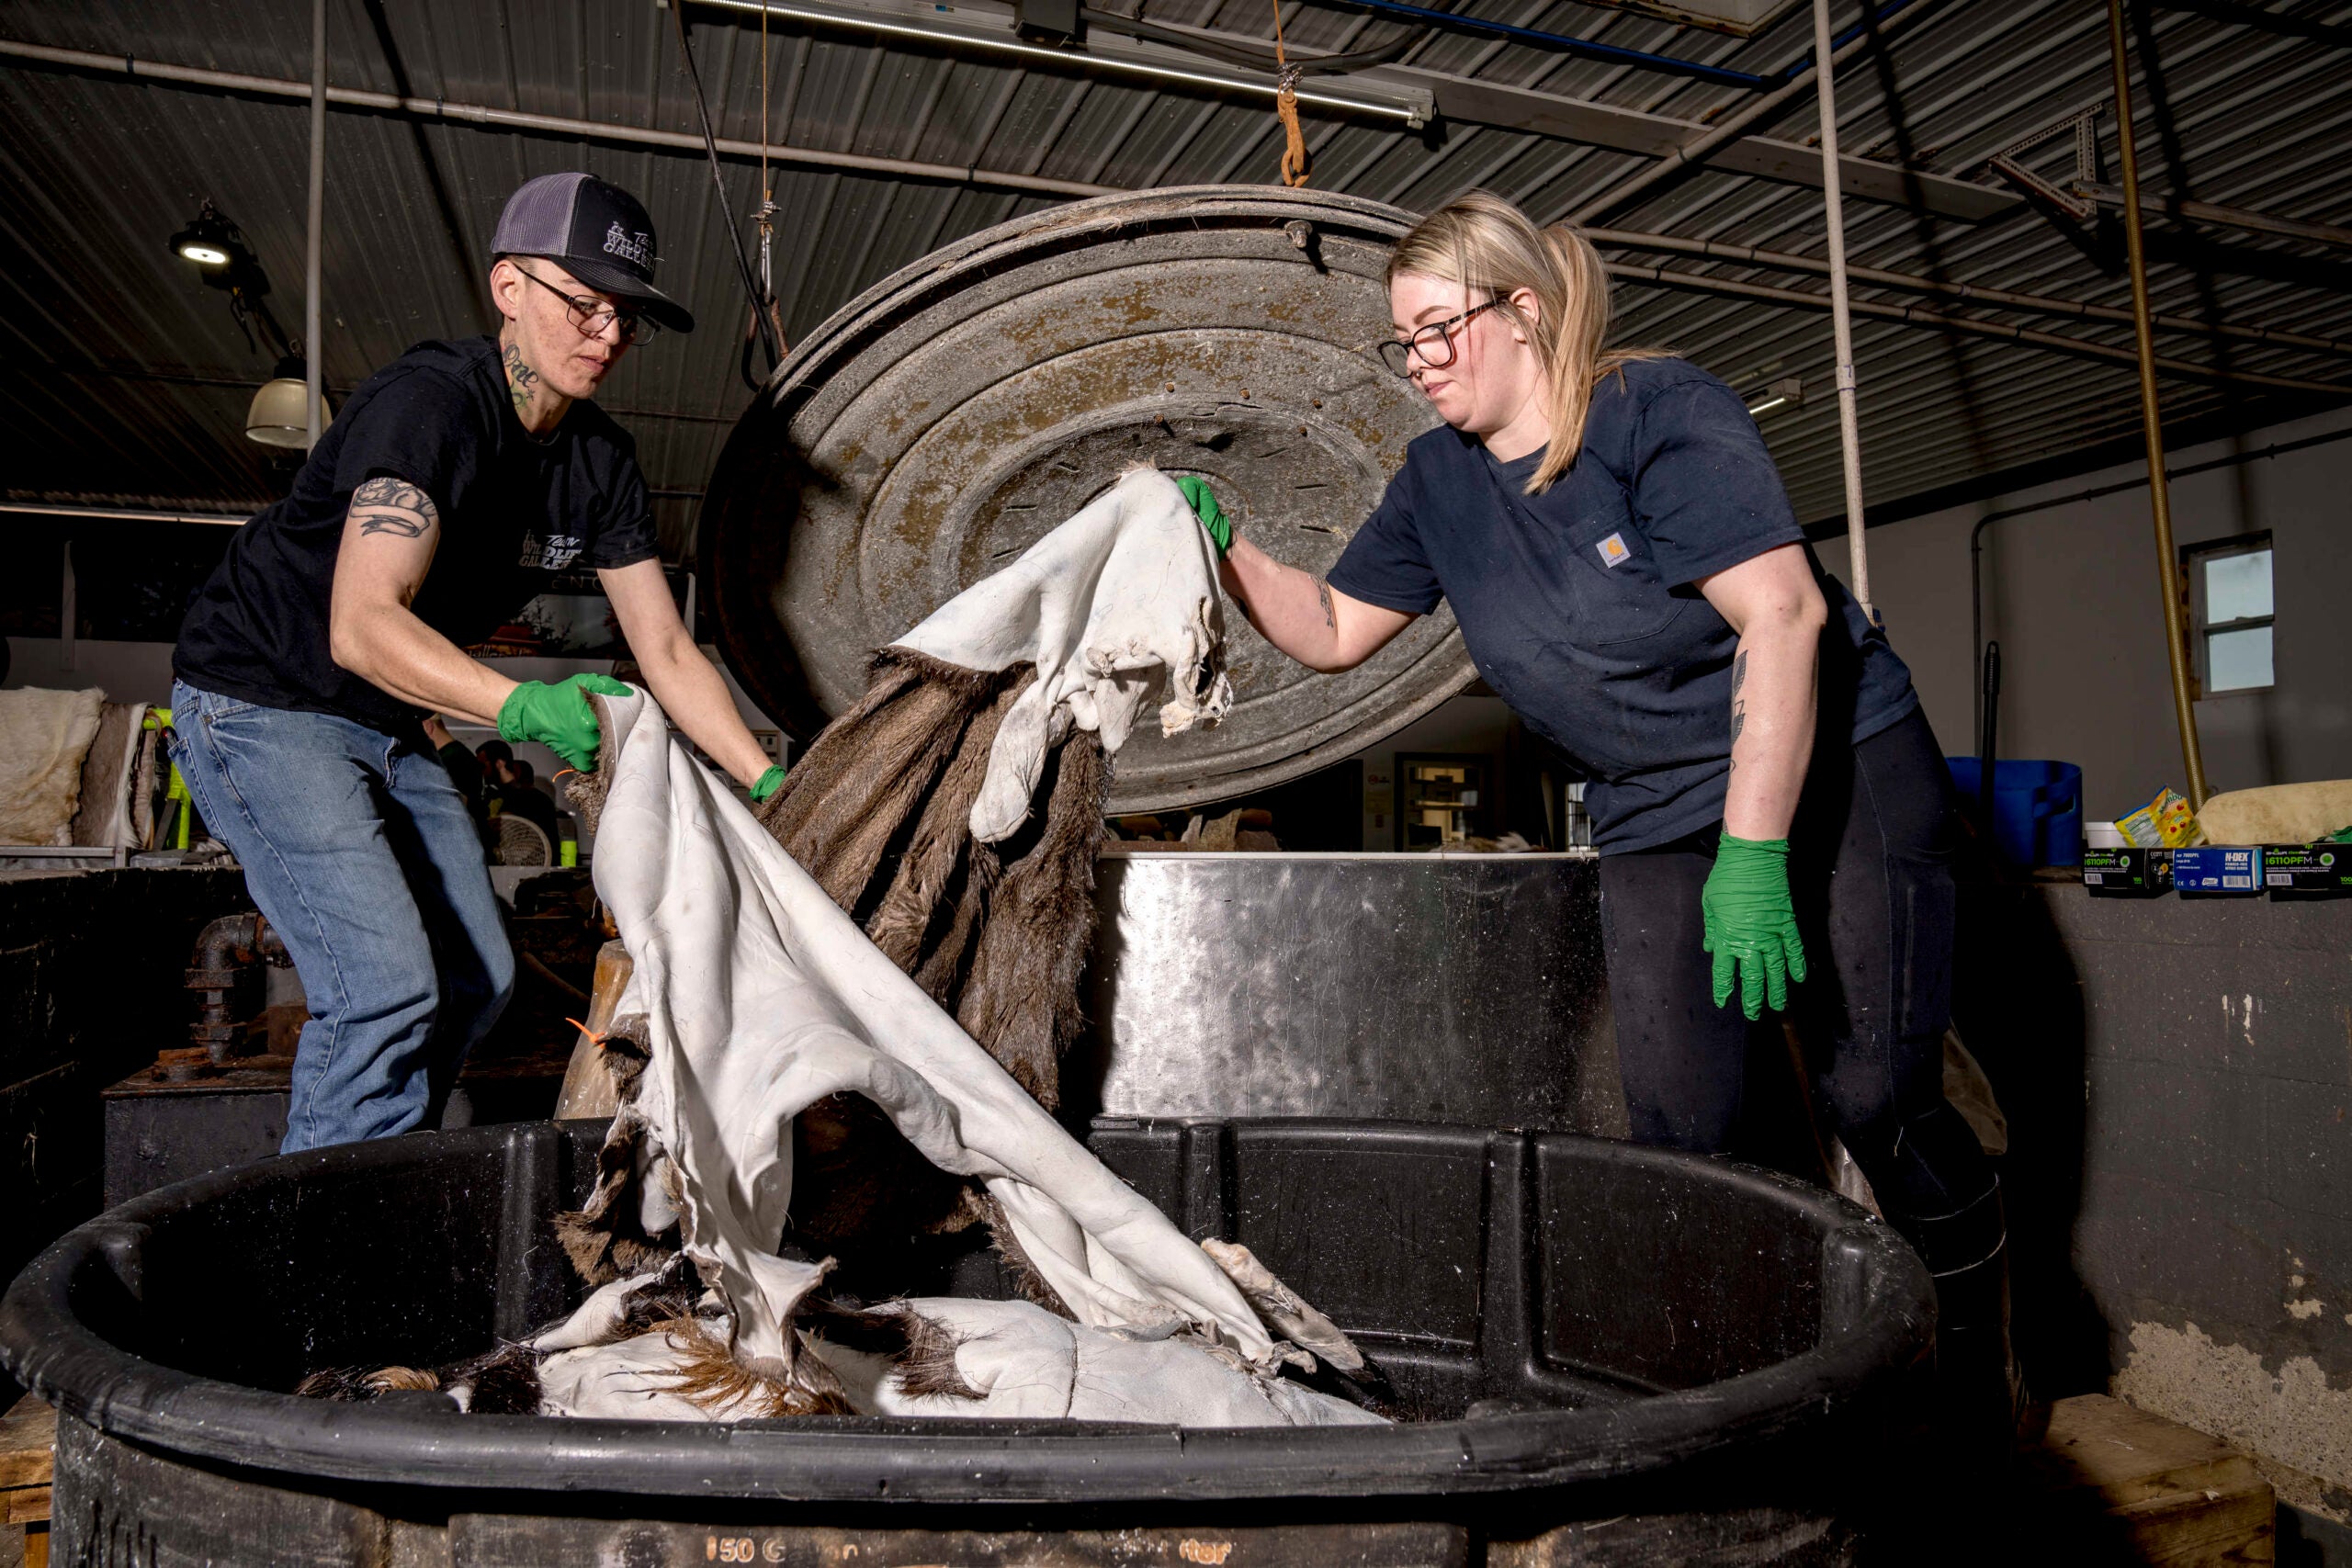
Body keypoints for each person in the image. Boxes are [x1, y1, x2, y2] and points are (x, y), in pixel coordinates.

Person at [1180, 190, 2022, 1456]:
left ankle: (1980, 1383)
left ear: (1526, 310)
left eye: (1441, 331)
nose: (1422, 365)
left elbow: (1784, 620)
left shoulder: (1655, 410)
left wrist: (1751, 854)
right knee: (1684, 1131)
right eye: (1402, 343)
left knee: (1874, 1093)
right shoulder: (1436, 483)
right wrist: (1222, 537)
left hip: (1836, 764)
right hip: (1648, 806)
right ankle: (1753, 1413)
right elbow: (1334, 629)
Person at [170, 172, 786, 1153]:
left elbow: (665, 647)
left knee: (478, 982)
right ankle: (317, 1254)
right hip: (260, 702)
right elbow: (364, 627)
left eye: (625, 314)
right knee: (382, 993)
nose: (607, 333)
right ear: (508, 288)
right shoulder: (430, 407)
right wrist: (527, 711)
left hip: (381, 719)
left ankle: (383, 1165)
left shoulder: (601, 462)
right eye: (580, 303)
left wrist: (771, 782)